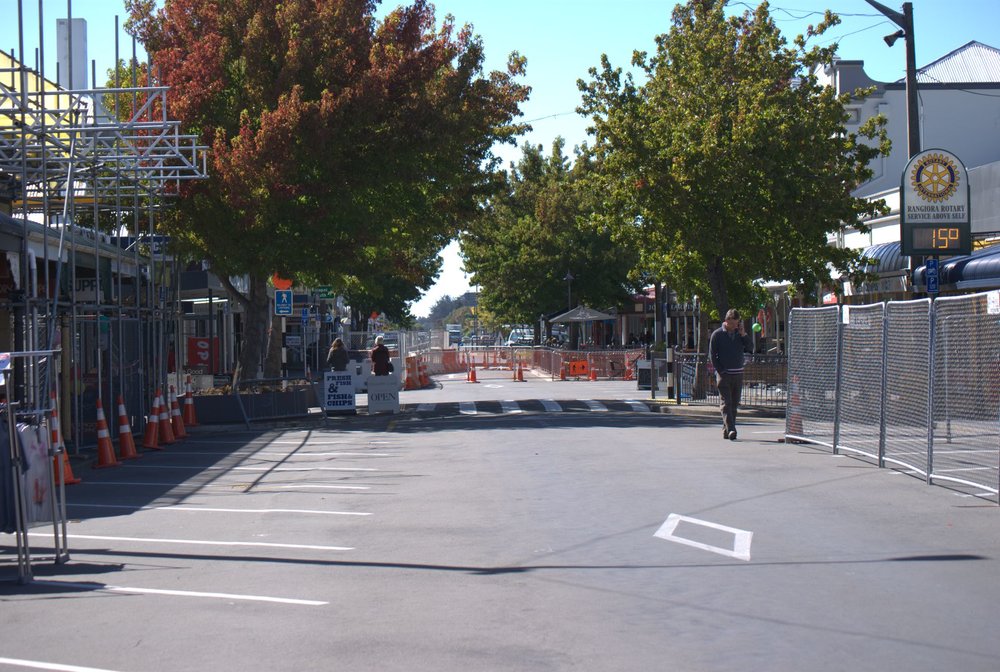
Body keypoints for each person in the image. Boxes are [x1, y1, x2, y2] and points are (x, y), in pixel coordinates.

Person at [708, 308, 753, 441]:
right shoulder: (717, 335)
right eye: (733, 323)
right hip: (724, 374)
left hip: (738, 373)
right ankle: (732, 429)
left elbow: (750, 348)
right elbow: (713, 355)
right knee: (726, 403)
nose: (735, 326)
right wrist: (720, 370)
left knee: (734, 404)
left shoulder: (740, 334)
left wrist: (744, 334)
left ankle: (726, 429)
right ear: (726, 321)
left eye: (737, 323)